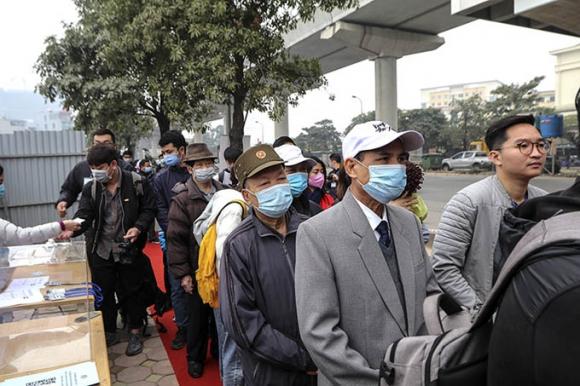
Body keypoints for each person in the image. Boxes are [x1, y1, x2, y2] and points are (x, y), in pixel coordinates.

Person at [295, 120, 436, 385]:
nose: (396, 167)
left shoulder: (409, 223)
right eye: (384, 159)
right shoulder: (318, 233)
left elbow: (430, 294)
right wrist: (377, 381)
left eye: (401, 158)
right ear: (352, 167)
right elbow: (320, 333)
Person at [220, 144, 317, 386]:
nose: (276, 187)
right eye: (264, 184)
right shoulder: (239, 245)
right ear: (246, 195)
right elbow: (243, 323)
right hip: (271, 373)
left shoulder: (312, 229)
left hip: (322, 363)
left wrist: (324, 350)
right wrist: (302, 358)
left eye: (281, 178)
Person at [432, 114, 548, 311]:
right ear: (495, 157)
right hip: (488, 318)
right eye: (523, 146)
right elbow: (444, 268)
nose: (536, 153)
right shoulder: (469, 202)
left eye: (540, 145)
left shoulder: (545, 202)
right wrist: (480, 310)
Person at [68, 144, 157, 356]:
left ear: (113, 165)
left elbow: (149, 209)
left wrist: (138, 227)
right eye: (92, 168)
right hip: (101, 249)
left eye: (100, 167)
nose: (95, 172)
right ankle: (108, 331)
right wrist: (70, 229)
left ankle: (135, 330)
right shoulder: (91, 188)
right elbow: (84, 215)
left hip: (128, 248)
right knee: (103, 293)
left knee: (132, 290)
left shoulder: (136, 182)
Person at [167, 143, 223, 378]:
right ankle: (195, 358)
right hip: (197, 267)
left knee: (222, 317)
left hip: (221, 267)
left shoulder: (225, 192)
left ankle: (220, 353)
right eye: (199, 165)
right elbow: (175, 239)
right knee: (198, 319)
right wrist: (184, 274)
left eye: (208, 163)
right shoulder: (182, 199)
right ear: (189, 169)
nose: (204, 168)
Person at [193, 189, 247, 386]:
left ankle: (226, 379)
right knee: (234, 348)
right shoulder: (234, 208)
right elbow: (226, 253)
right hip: (230, 287)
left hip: (218, 285)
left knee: (226, 342)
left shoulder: (221, 199)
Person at [152, 130, 190, 350]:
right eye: (164, 152)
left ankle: (202, 328)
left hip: (198, 240)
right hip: (175, 242)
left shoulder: (194, 172)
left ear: (181, 151)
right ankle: (183, 328)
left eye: (170, 151)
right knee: (177, 287)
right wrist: (174, 231)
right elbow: (160, 209)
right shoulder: (160, 179)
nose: (166, 156)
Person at [55, 128, 133, 218]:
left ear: (114, 147)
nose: (101, 147)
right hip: (92, 225)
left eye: (106, 143)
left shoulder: (126, 169)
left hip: (122, 224)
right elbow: (69, 189)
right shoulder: (82, 168)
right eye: (97, 144)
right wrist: (63, 201)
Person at [274, 143, 322, 217]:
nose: (299, 175)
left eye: (303, 169)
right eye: (292, 170)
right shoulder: (268, 213)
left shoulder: (315, 210)